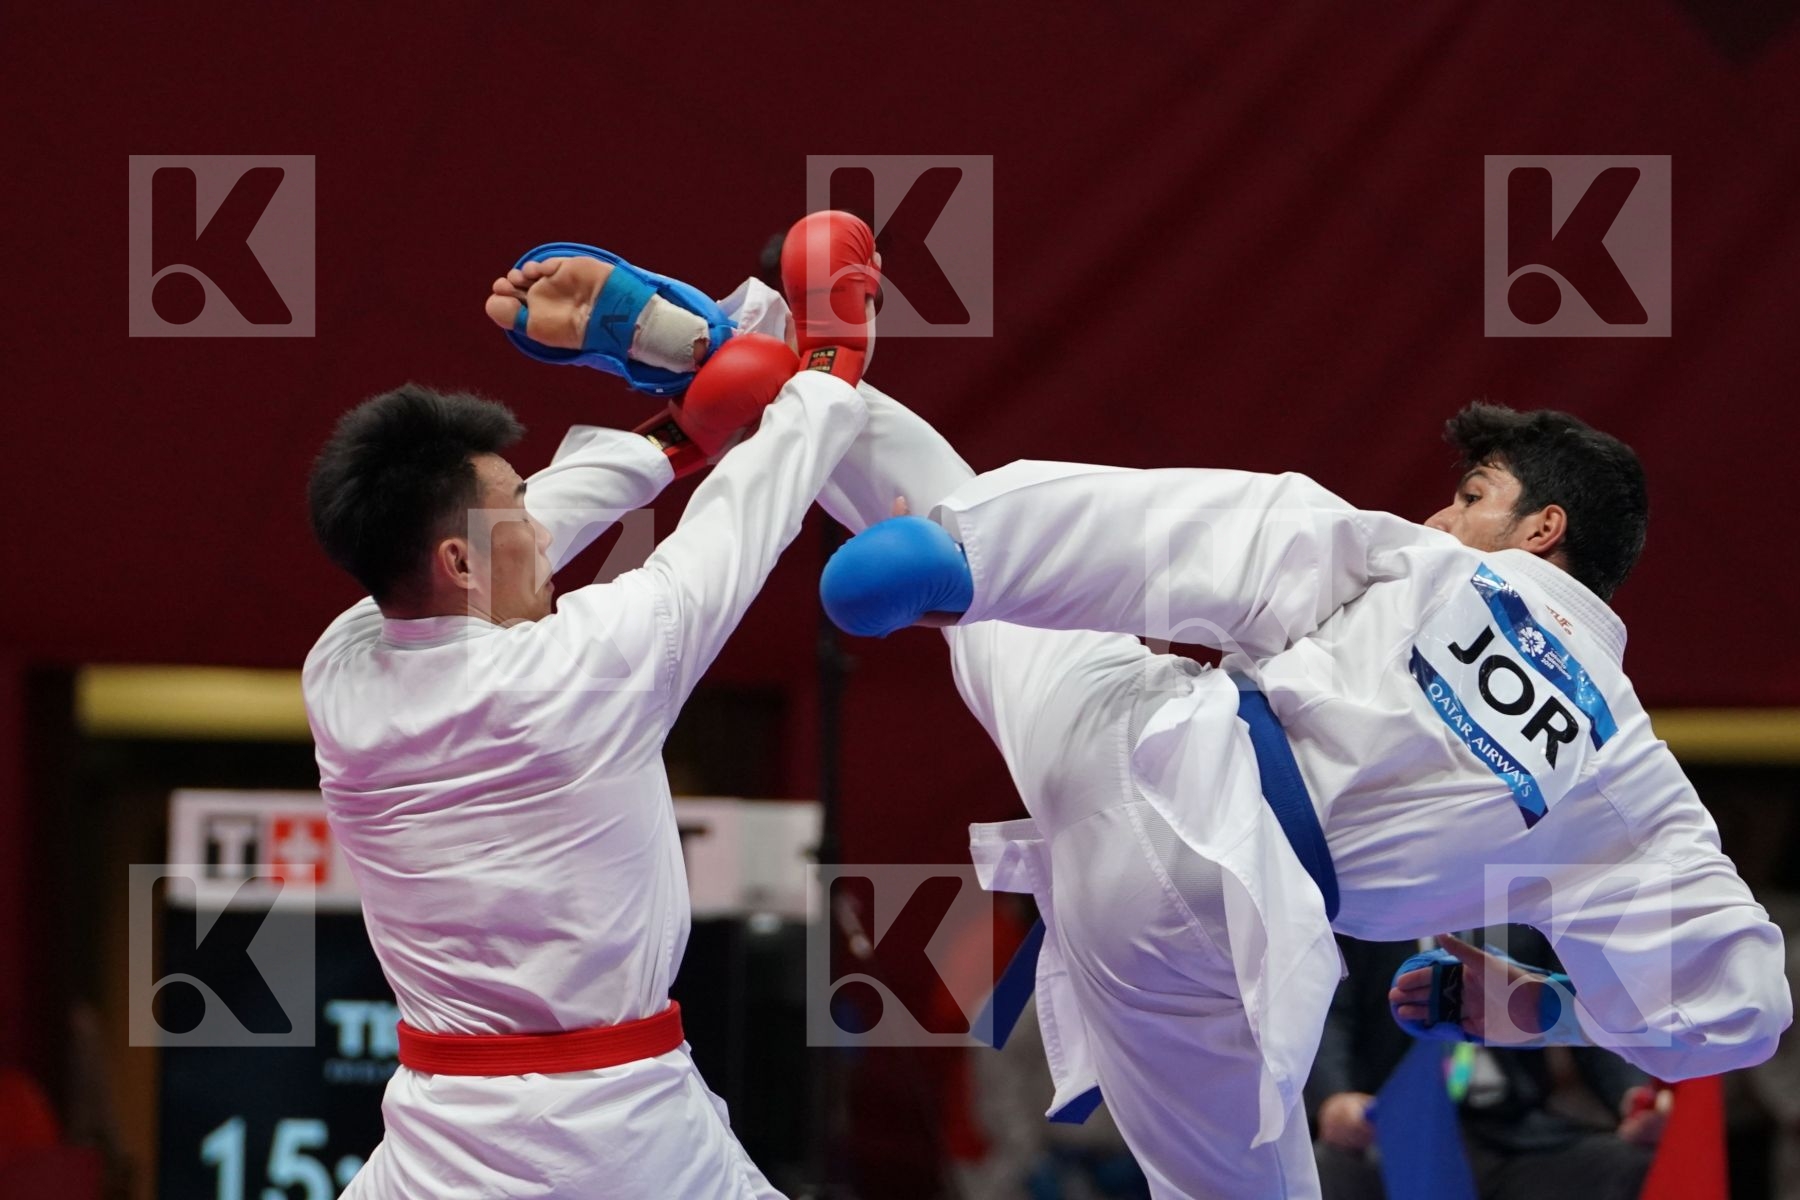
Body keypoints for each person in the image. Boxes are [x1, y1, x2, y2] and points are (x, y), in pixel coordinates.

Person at [814, 290, 1792, 1195]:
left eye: (1472, 494)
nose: (1439, 513)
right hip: (1216, 930)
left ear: (1542, 528)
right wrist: (1554, 1007)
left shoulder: (1426, 564)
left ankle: (787, 385)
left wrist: (978, 559)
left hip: (1148, 755)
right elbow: (1741, 1012)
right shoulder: (1628, 773)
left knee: (1000, 592)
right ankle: (923, 510)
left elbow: (1237, 534)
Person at [301, 248, 871, 1198]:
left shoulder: (342, 667)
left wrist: (673, 438)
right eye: (516, 500)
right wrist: (830, 365)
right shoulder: (576, 669)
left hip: (437, 1138)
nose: (538, 518)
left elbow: (516, 539)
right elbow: (741, 522)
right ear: (461, 558)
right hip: (621, 1139)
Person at [1307, 930, 1663, 1200]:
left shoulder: (1521, 898)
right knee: (1324, 1173)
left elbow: (1580, 1009)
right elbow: (1327, 1012)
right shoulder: (1362, 912)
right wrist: (1333, 1100)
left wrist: (1630, 1095)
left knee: (1634, 1165)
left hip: (1512, 1132)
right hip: (1389, 1131)